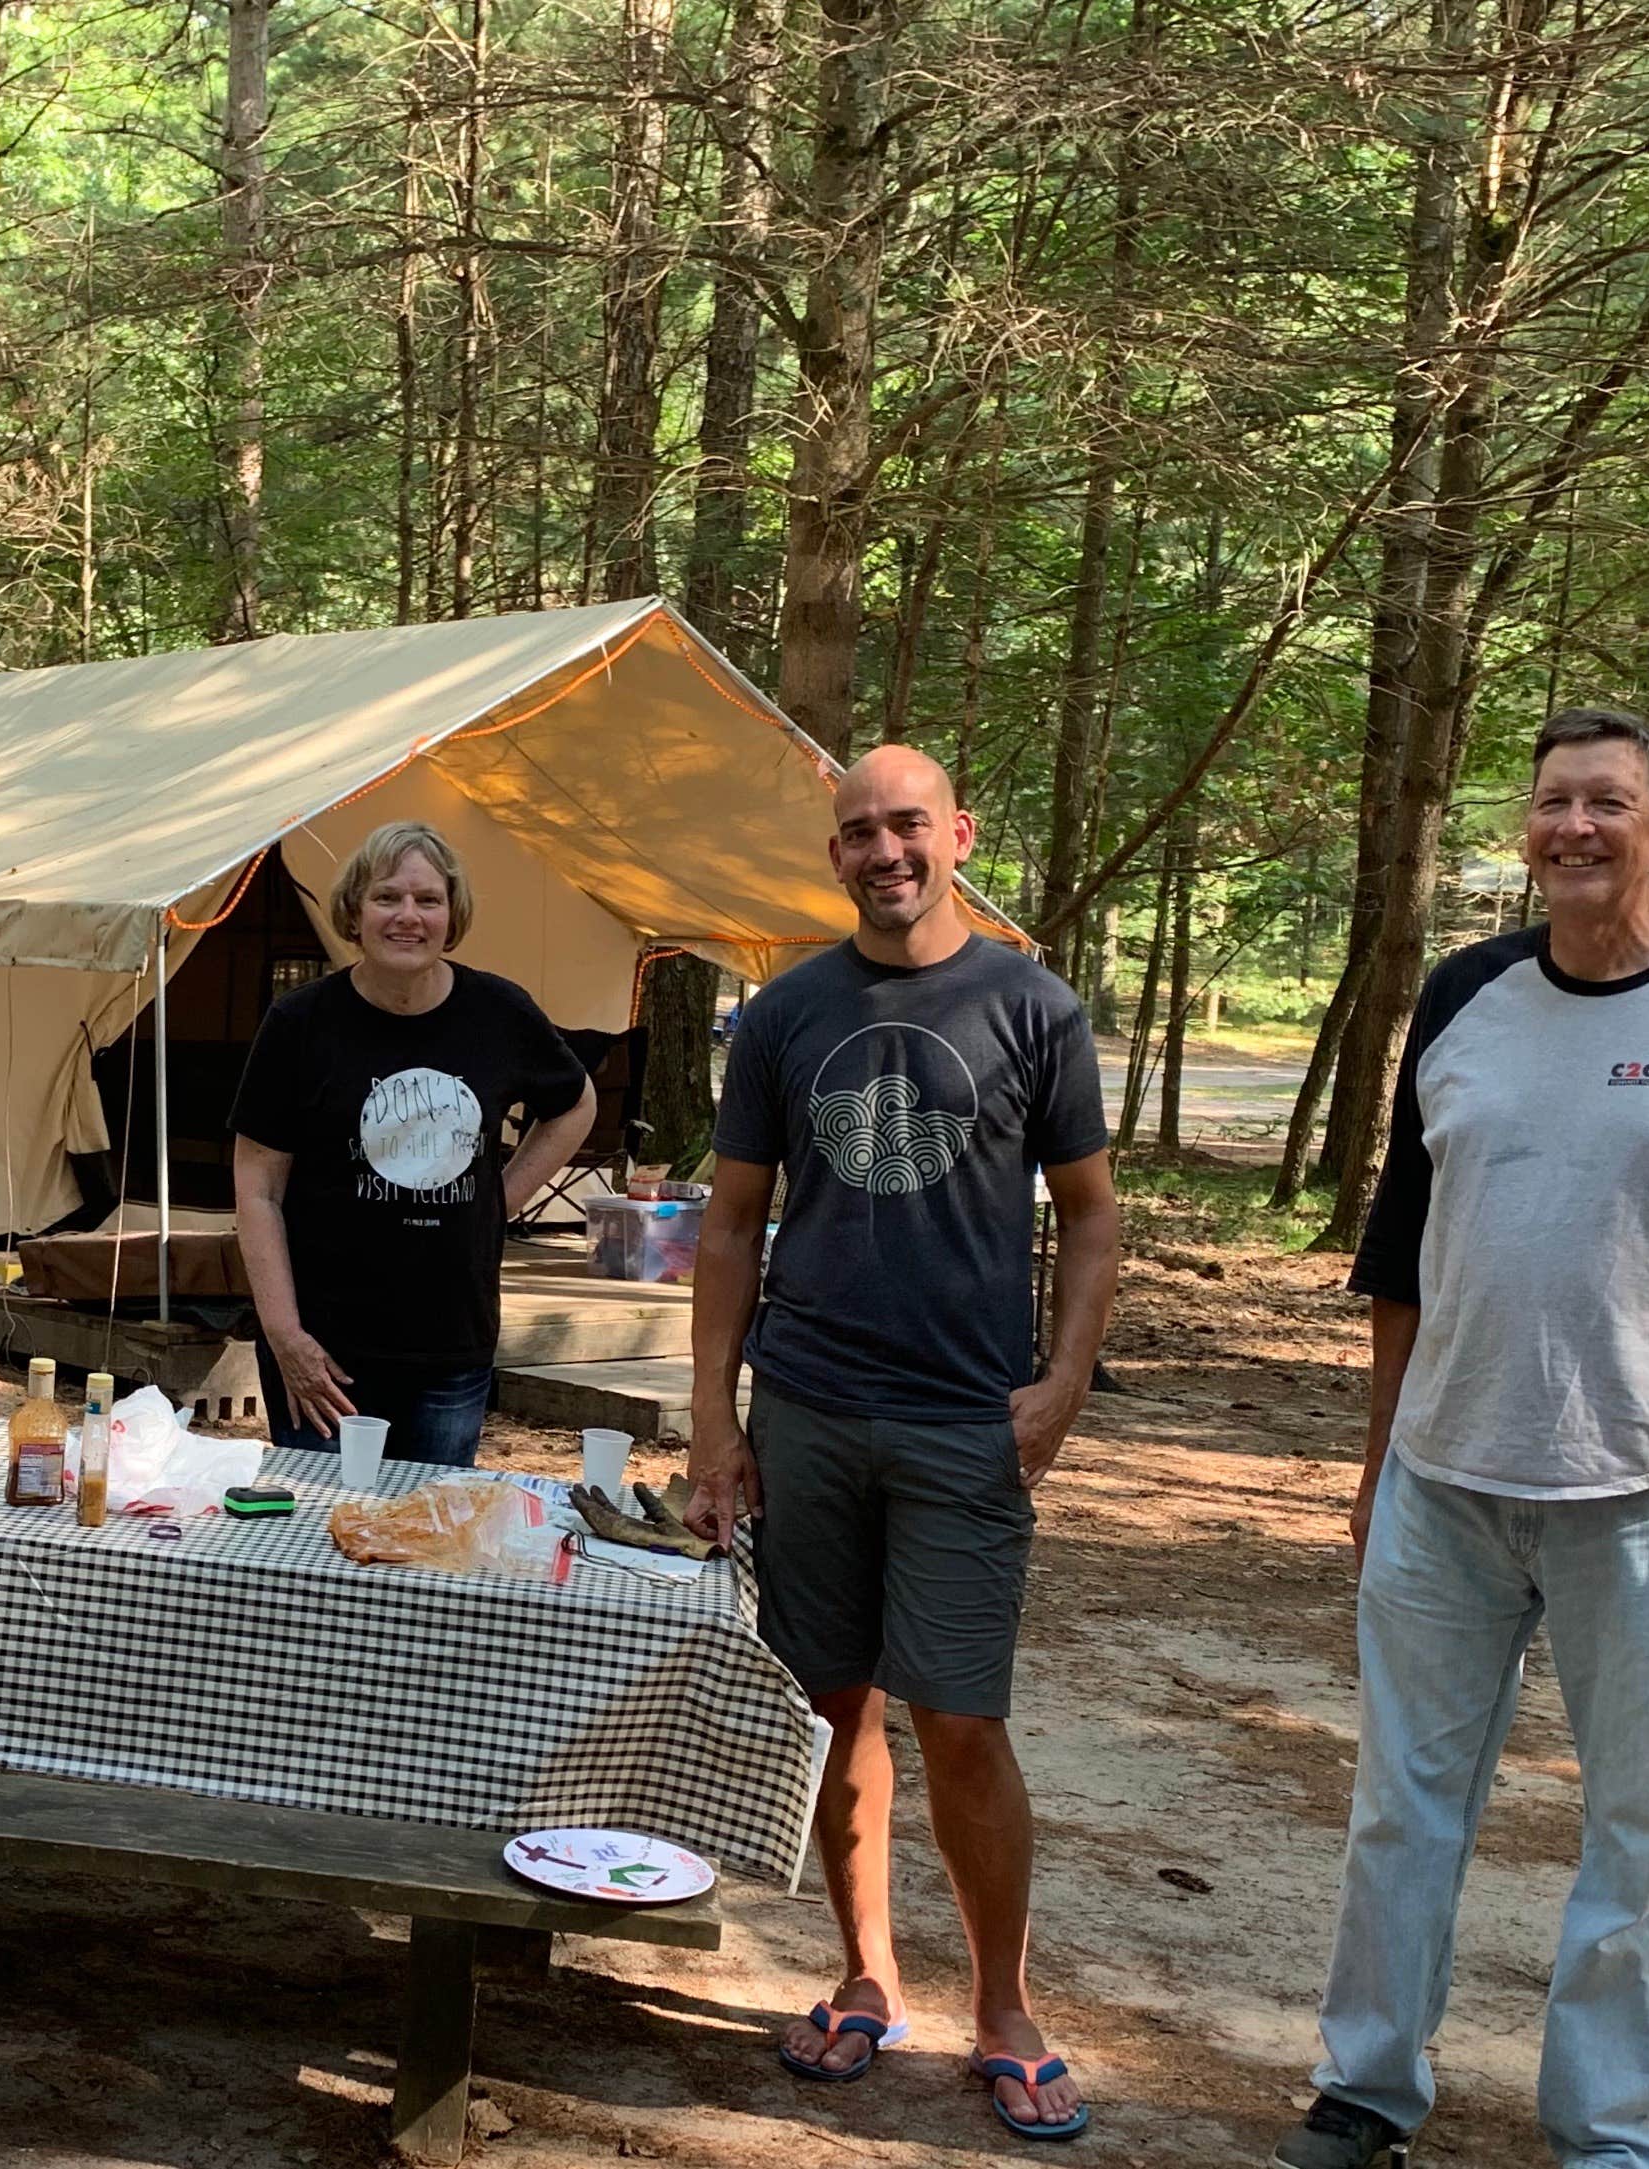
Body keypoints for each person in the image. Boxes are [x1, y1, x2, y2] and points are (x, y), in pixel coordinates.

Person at [1271, 709, 1649, 2169]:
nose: (1573, 828)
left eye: (1608, 802)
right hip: (1444, 1487)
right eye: (1549, 804)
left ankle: (1608, 2135)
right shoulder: (1465, 994)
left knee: (1647, 1840)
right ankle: (1363, 2091)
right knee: (1399, 1808)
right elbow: (1398, 1256)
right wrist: (1375, 1465)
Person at [684, 744, 1118, 2143]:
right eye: (860, 831)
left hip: (960, 1416)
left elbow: (1092, 1212)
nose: (886, 851)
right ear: (834, 854)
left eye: (908, 825)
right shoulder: (785, 1015)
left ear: (956, 833)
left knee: (963, 1716)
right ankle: (866, 1972)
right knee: (833, 1701)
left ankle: (1004, 2005)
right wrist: (714, 1416)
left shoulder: (1029, 1004)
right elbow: (732, 1221)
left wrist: (1061, 1381)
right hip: (807, 1406)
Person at [230, 818, 597, 1467]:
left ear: (452, 915)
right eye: (387, 897)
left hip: (450, 1348)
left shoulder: (499, 1014)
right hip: (323, 1354)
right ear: (354, 910)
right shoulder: (299, 1024)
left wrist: (497, 1199)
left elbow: (574, 1104)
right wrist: (285, 1337)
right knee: (315, 1544)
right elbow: (257, 1188)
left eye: (428, 900)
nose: (408, 916)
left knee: (427, 1546)